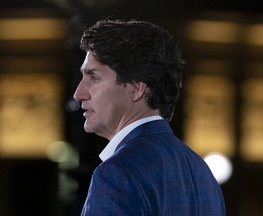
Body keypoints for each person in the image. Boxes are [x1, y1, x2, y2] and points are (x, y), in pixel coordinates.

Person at [73, 19, 226, 215]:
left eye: (94, 78)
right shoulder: (202, 174)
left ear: (137, 89)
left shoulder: (117, 172)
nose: (79, 93)